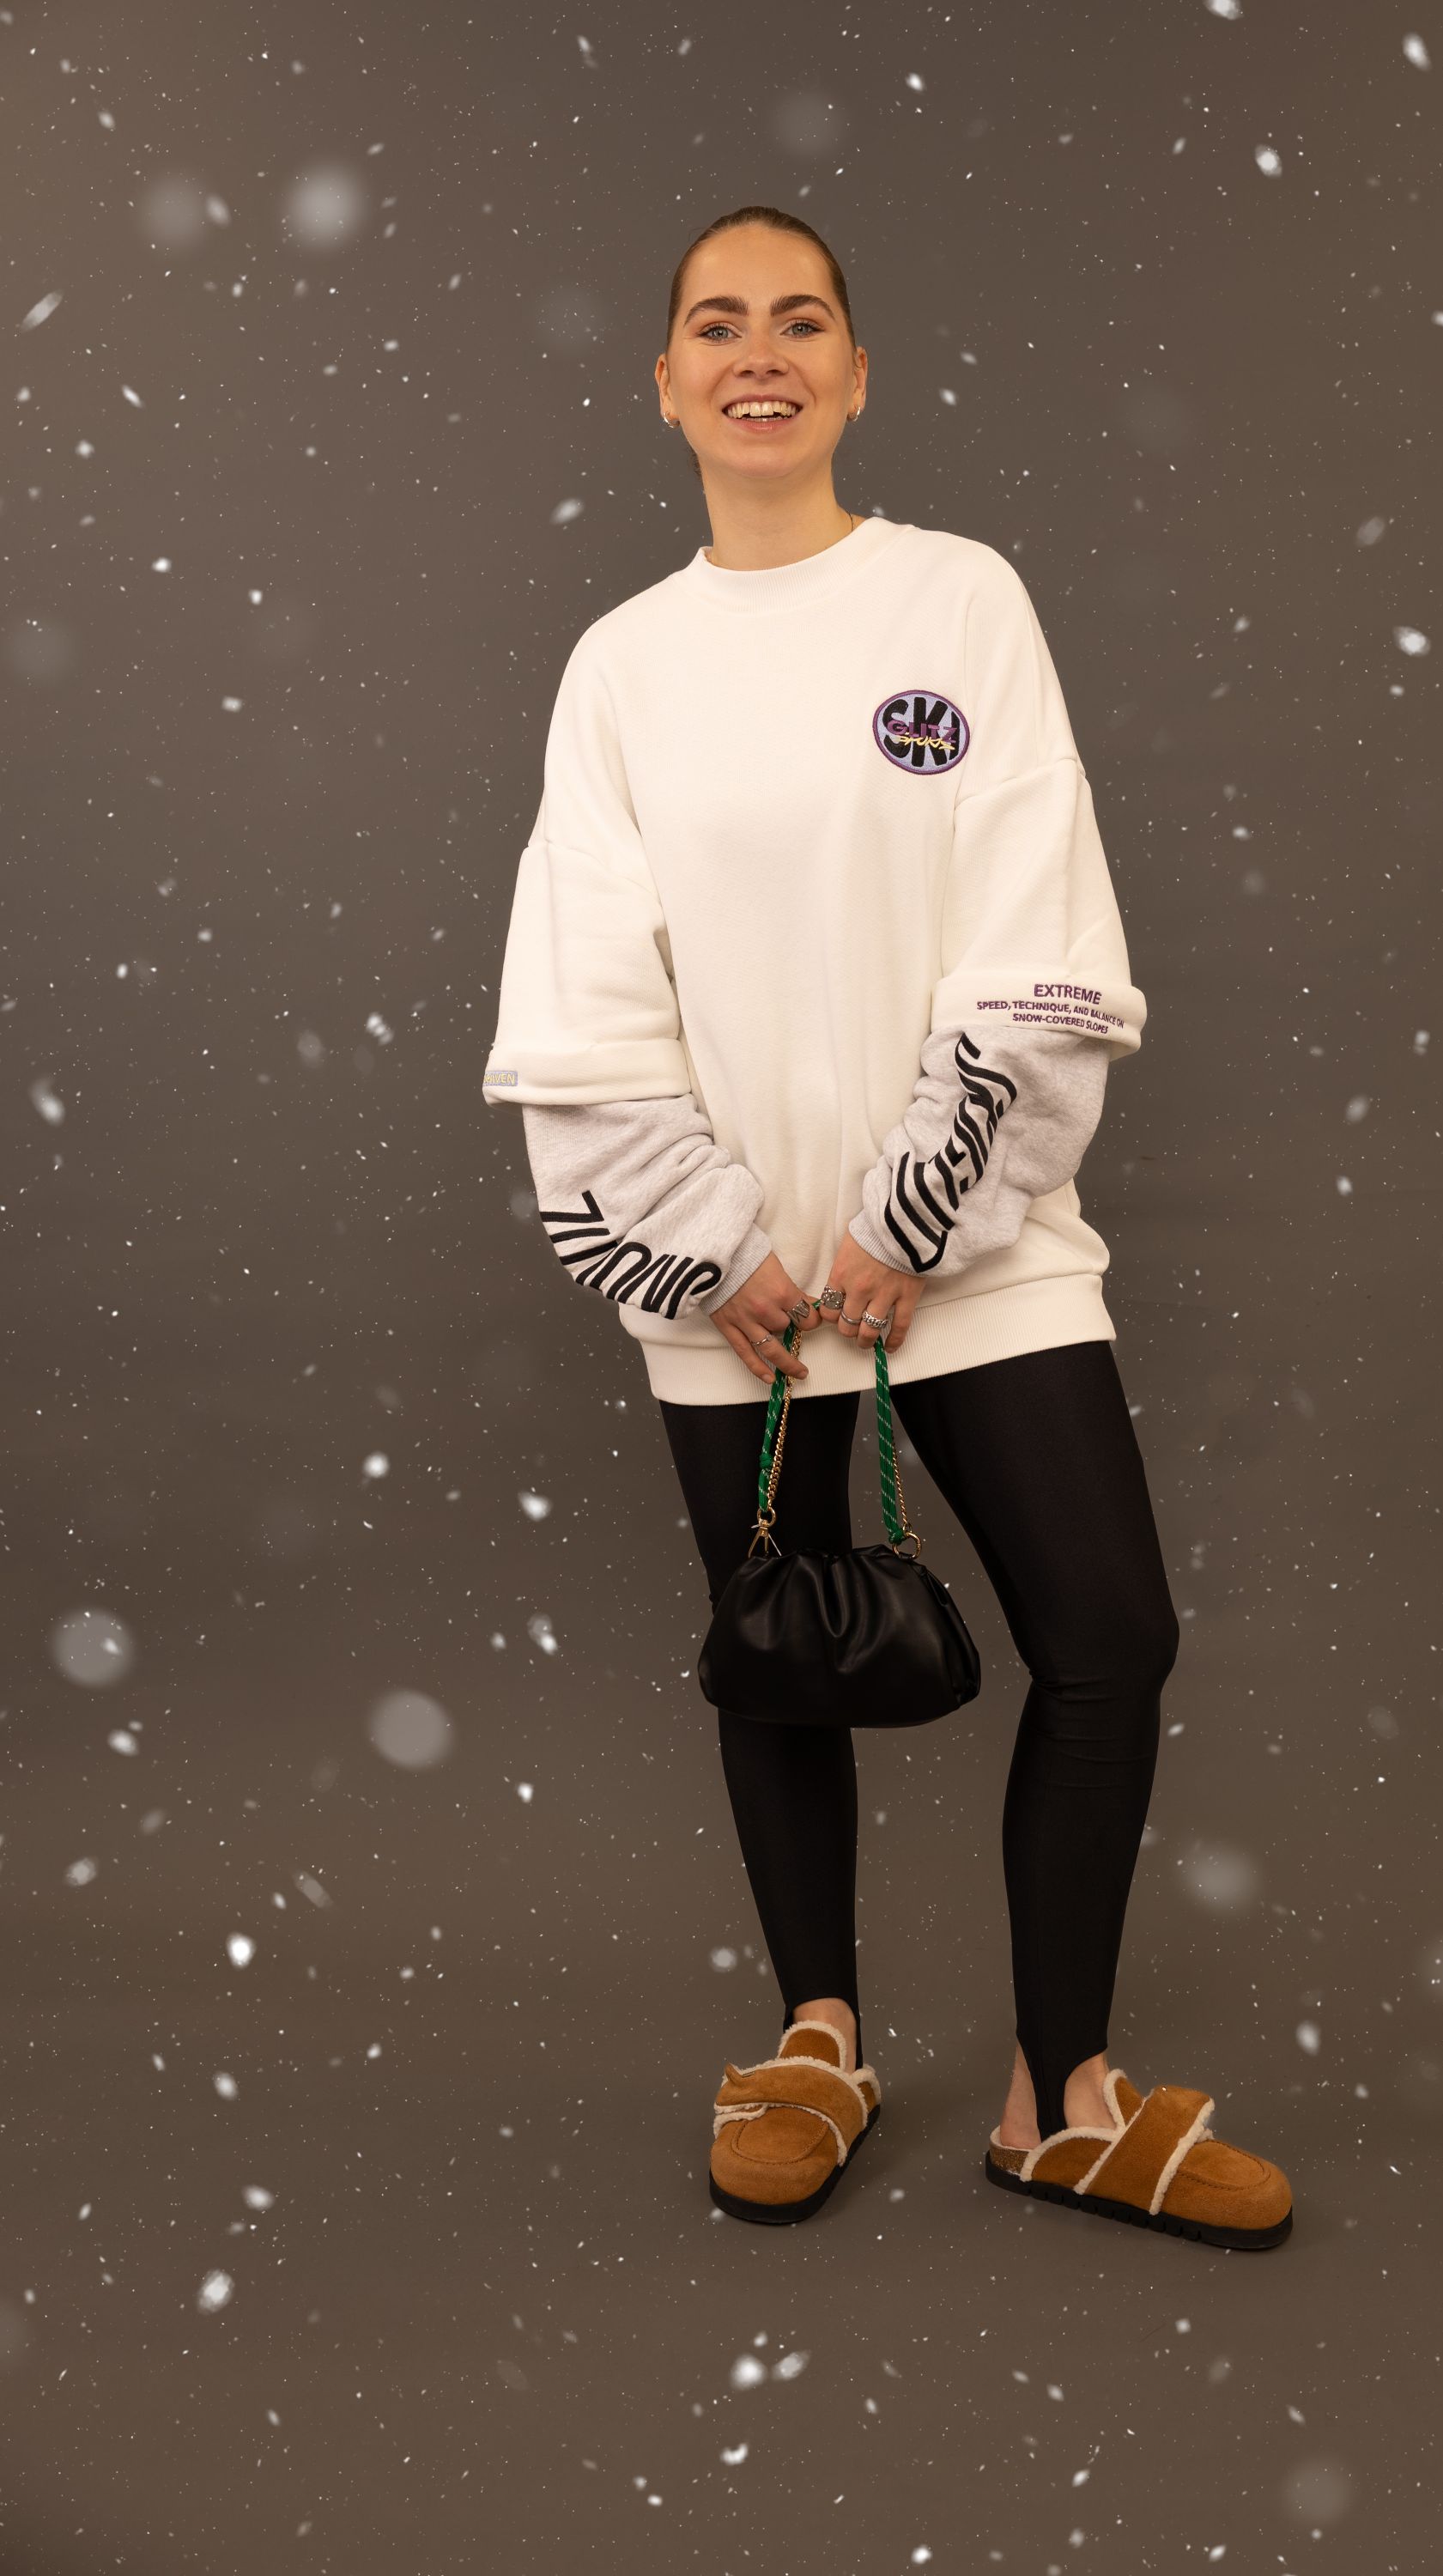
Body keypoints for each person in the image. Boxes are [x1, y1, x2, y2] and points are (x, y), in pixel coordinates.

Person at [481, 206, 1293, 2251]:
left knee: (1107, 1637)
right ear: (664, 385)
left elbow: (1038, 930)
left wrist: (921, 1209)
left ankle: (1059, 2095)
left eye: (800, 322)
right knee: (778, 1656)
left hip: (973, 1248)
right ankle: (815, 2041)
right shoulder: (622, 668)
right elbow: (585, 991)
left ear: (856, 373)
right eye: (716, 325)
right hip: (738, 1286)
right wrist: (711, 1248)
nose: (758, 353)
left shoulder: (958, 600)